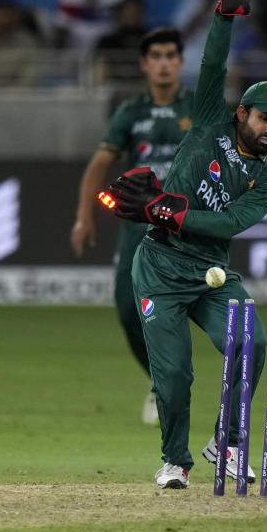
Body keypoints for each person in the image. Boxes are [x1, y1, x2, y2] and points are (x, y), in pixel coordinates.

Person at [103, 0, 267, 490]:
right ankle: (174, 461)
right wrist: (227, 9)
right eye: (265, 118)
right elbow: (213, 61)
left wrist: (164, 207)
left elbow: (229, 224)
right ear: (242, 112)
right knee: (174, 374)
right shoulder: (208, 118)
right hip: (158, 266)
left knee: (252, 344)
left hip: (211, 271)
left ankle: (227, 444)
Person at [70, 27, 193, 427]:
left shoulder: (197, 108)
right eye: (154, 55)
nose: (162, 62)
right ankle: (160, 381)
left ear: (180, 62)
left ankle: (177, 382)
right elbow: (99, 165)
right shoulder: (131, 111)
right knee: (128, 310)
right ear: (144, 64)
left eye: (169, 55)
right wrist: (84, 216)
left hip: (184, 228)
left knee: (184, 311)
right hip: (138, 230)